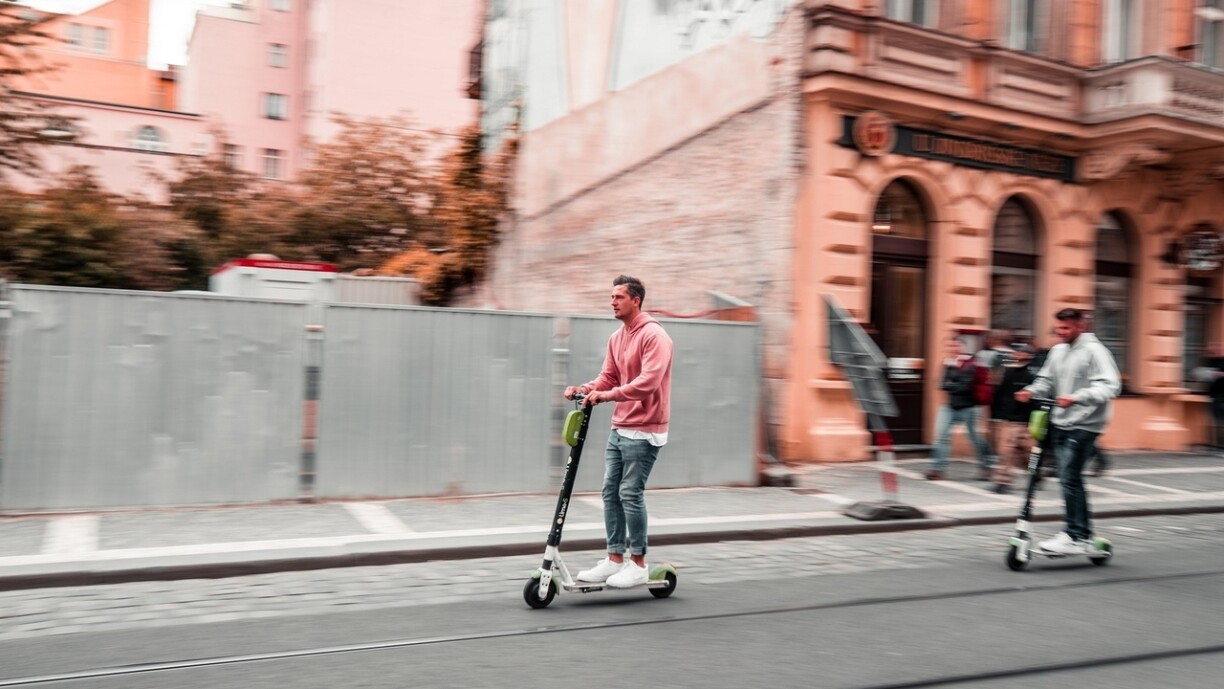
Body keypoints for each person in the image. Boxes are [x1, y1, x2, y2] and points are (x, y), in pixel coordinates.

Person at [564, 275, 673, 588]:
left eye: (618, 297)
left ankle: (637, 562)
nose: (612, 301)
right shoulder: (617, 337)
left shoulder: (655, 336)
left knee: (630, 492)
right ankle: (614, 559)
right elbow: (608, 377)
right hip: (620, 426)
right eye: (611, 297)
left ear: (635, 300)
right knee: (610, 492)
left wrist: (607, 397)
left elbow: (648, 383)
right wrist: (584, 389)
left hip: (646, 427)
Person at [1016, 308, 1121, 555]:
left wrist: (1076, 398)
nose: (1061, 332)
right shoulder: (1058, 350)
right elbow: (1046, 381)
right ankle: (1082, 534)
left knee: (1069, 477)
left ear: (1080, 326)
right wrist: (1032, 391)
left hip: (1086, 424)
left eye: (1067, 328)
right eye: (1059, 328)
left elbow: (1110, 386)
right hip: (1061, 421)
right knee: (1071, 478)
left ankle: (1075, 535)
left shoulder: (1095, 351)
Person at [925, 336, 993, 481]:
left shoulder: (971, 364)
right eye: (949, 346)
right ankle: (937, 470)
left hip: (970, 407)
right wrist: (951, 384)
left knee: (975, 438)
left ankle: (987, 466)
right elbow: (941, 384)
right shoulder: (947, 363)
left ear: (962, 347)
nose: (952, 349)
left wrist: (950, 384)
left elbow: (965, 386)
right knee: (941, 436)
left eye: (955, 346)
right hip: (950, 406)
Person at [989, 342, 1039, 494]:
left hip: (1026, 420)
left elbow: (1037, 399)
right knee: (1009, 451)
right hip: (1009, 419)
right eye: (1016, 352)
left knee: (1024, 452)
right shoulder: (1008, 372)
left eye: (1021, 352)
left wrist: (1033, 421)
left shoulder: (1032, 376)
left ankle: (1031, 474)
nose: (1016, 354)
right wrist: (996, 415)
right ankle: (1007, 480)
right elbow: (999, 394)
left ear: (1028, 356)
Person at [977, 329, 1012, 470]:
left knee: (999, 435)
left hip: (997, 401)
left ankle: (993, 460)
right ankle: (1034, 471)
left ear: (992, 341)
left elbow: (991, 379)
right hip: (1015, 404)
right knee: (1018, 443)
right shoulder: (1016, 355)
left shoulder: (990, 356)